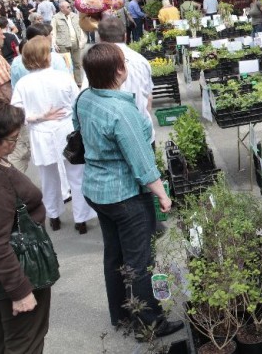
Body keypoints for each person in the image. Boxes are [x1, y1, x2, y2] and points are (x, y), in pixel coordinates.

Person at [75, 43, 181, 337]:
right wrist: (162, 195)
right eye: (124, 62)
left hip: (96, 189)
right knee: (140, 261)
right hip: (125, 195)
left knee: (114, 255)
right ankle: (150, 323)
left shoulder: (85, 98)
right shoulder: (121, 110)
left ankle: (121, 315)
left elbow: (77, 130)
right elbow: (142, 161)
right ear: (119, 70)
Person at [10, 37, 96, 234]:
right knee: (77, 175)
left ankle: (54, 216)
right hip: (66, 130)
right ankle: (81, 219)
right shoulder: (63, 77)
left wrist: (38, 116)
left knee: (48, 178)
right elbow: (78, 103)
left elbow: (16, 113)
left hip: (40, 132)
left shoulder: (24, 83)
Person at [0, 97, 53, 353]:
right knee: (24, 342)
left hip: (0, 277)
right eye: (12, 139)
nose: (16, 144)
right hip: (16, 272)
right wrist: (20, 291)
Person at [89, 17, 155, 149]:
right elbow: (148, 99)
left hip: (110, 140)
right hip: (141, 133)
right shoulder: (141, 61)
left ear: (100, 38)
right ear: (125, 36)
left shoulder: (95, 63)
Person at [50, 0, 86, 87]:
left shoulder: (75, 16)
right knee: (65, 65)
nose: (70, 8)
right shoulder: (56, 17)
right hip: (62, 44)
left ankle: (78, 82)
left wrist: (82, 41)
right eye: (68, 7)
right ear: (61, 8)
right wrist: (54, 44)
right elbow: (52, 31)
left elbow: (81, 29)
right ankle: (67, 83)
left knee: (77, 63)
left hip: (75, 43)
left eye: (70, 6)